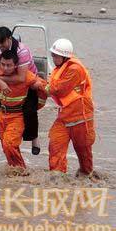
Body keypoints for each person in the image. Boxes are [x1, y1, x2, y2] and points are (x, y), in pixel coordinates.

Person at [0, 27, 41, 155]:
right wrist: (1, 83)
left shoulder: (22, 51)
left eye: (2, 43)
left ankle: (34, 138)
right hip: (4, 80)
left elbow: (21, 78)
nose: (0, 47)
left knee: (30, 110)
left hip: (27, 83)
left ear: (10, 39)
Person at [45, 39, 96, 177]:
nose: (53, 58)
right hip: (64, 117)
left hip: (81, 117)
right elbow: (53, 88)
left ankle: (86, 176)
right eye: (53, 55)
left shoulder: (75, 69)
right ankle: (57, 178)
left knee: (84, 153)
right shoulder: (61, 69)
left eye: (56, 56)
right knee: (55, 146)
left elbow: (59, 89)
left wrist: (42, 86)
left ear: (65, 56)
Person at [0, 49, 47, 171]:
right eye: (3, 64)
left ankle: (21, 172)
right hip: (2, 115)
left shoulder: (25, 76)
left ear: (16, 65)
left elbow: (45, 87)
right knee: (6, 148)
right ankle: (15, 172)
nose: (5, 68)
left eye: (9, 65)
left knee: (10, 144)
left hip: (17, 116)